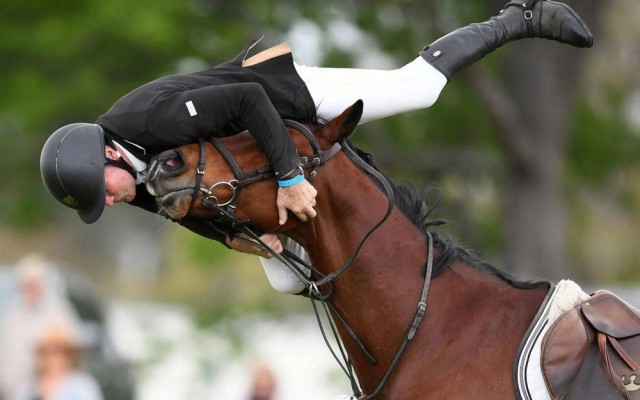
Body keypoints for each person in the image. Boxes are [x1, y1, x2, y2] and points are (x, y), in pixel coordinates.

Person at [40, 0, 593, 293]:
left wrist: (289, 179)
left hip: (285, 92)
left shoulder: (147, 119)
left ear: (110, 155)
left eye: (101, 192)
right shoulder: (129, 177)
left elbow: (249, 100)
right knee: (288, 279)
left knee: (418, 91)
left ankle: (517, 17)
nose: (109, 201)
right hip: (263, 149)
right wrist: (249, 241)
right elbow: (187, 213)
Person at [0, 255, 81, 400]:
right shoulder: (12, 314)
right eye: (27, 283)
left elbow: (69, 345)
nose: (30, 287)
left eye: (34, 282)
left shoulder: (58, 313)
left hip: (52, 387)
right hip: (16, 389)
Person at [13, 323, 103, 400]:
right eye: (48, 352)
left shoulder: (82, 385)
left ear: (69, 356)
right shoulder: (29, 387)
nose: (53, 358)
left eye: (58, 352)